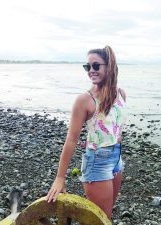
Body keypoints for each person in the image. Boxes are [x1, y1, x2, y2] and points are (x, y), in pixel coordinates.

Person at [46, 45, 127, 220]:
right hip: (97, 162)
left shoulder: (121, 94)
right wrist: (60, 178)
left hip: (116, 159)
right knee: (101, 219)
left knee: (107, 216)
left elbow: (116, 128)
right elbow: (71, 139)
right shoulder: (84, 100)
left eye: (96, 66)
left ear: (109, 66)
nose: (91, 70)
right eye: (87, 67)